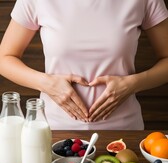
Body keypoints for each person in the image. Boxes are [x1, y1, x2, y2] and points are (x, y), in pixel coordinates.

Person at [0, 0, 168, 130]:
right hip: (52, 130)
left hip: (124, 131)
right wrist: (47, 84)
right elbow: (4, 58)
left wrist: (132, 84)